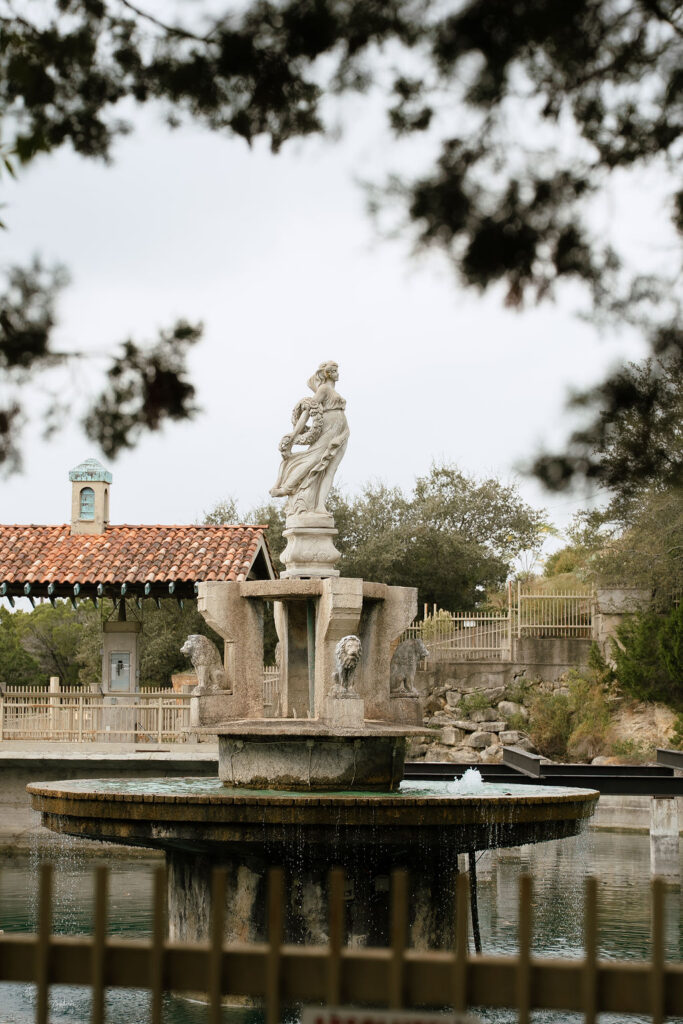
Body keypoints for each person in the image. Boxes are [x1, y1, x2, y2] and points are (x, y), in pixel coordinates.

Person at [270, 360, 349, 517]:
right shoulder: (324, 389)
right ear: (327, 373)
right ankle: (286, 487)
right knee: (313, 459)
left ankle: (320, 505)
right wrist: (294, 434)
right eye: (334, 370)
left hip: (342, 432)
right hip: (329, 430)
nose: (337, 373)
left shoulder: (332, 390)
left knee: (330, 470)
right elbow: (307, 411)